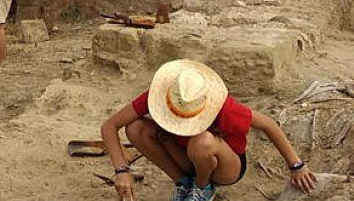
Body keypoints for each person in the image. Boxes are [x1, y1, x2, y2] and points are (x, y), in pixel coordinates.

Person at [99, 59, 317, 201]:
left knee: (202, 141)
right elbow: (109, 126)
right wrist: (121, 171)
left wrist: (296, 165)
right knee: (136, 127)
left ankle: (202, 189)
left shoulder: (226, 109)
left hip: (224, 165)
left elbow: (269, 125)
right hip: (187, 158)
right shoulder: (163, 95)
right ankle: (184, 184)